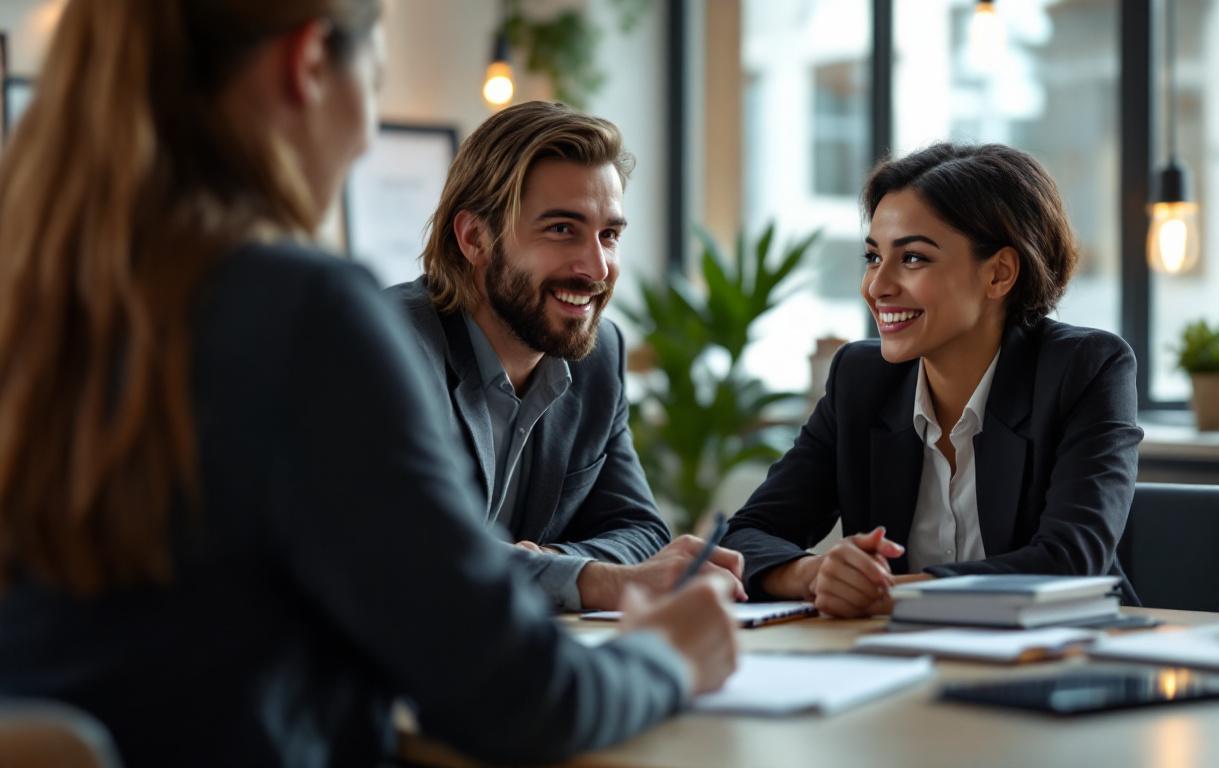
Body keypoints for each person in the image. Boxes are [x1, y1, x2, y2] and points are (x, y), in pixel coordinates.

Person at [0, 2, 737, 766]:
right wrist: (669, 655)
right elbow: (516, 697)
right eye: (377, 83)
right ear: (311, 63)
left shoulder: (47, 301)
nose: (363, 136)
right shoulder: (301, 312)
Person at [722, 143, 1143, 618]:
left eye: (913, 258)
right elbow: (746, 537)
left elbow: (1070, 563)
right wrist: (813, 575)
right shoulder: (861, 380)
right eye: (873, 257)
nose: (877, 286)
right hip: (894, 652)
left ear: (1000, 273)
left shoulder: (1085, 369)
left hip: (1068, 650)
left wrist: (890, 592)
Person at [386, 101, 745, 610]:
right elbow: (411, 547)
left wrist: (553, 565)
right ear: (474, 238)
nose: (597, 268)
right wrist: (597, 581)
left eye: (609, 235)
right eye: (561, 229)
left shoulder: (598, 356)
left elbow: (639, 530)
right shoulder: (389, 343)